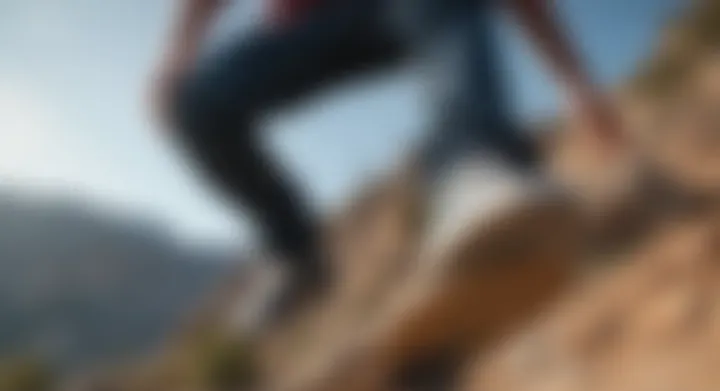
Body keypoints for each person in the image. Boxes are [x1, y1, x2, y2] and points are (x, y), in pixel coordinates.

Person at [149, 0, 625, 333]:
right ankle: (294, 254)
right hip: (304, 29)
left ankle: (473, 170)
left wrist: (575, 83)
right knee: (196, 105)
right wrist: (178, 53)